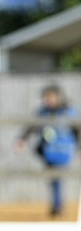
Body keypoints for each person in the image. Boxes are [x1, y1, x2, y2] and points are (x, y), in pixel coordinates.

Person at [17, 84, 78, 217]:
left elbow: (77, 130)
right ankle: (57, 205)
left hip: (63, 151)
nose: (48, 100)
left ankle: (57, 206)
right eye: (46, 98)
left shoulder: (69, 112)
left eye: (50, 97)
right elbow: (32, 125)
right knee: (53, 178)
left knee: (56, 177)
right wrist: (22, 139)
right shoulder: (43, 112)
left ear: (58, 97)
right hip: (48, 152)